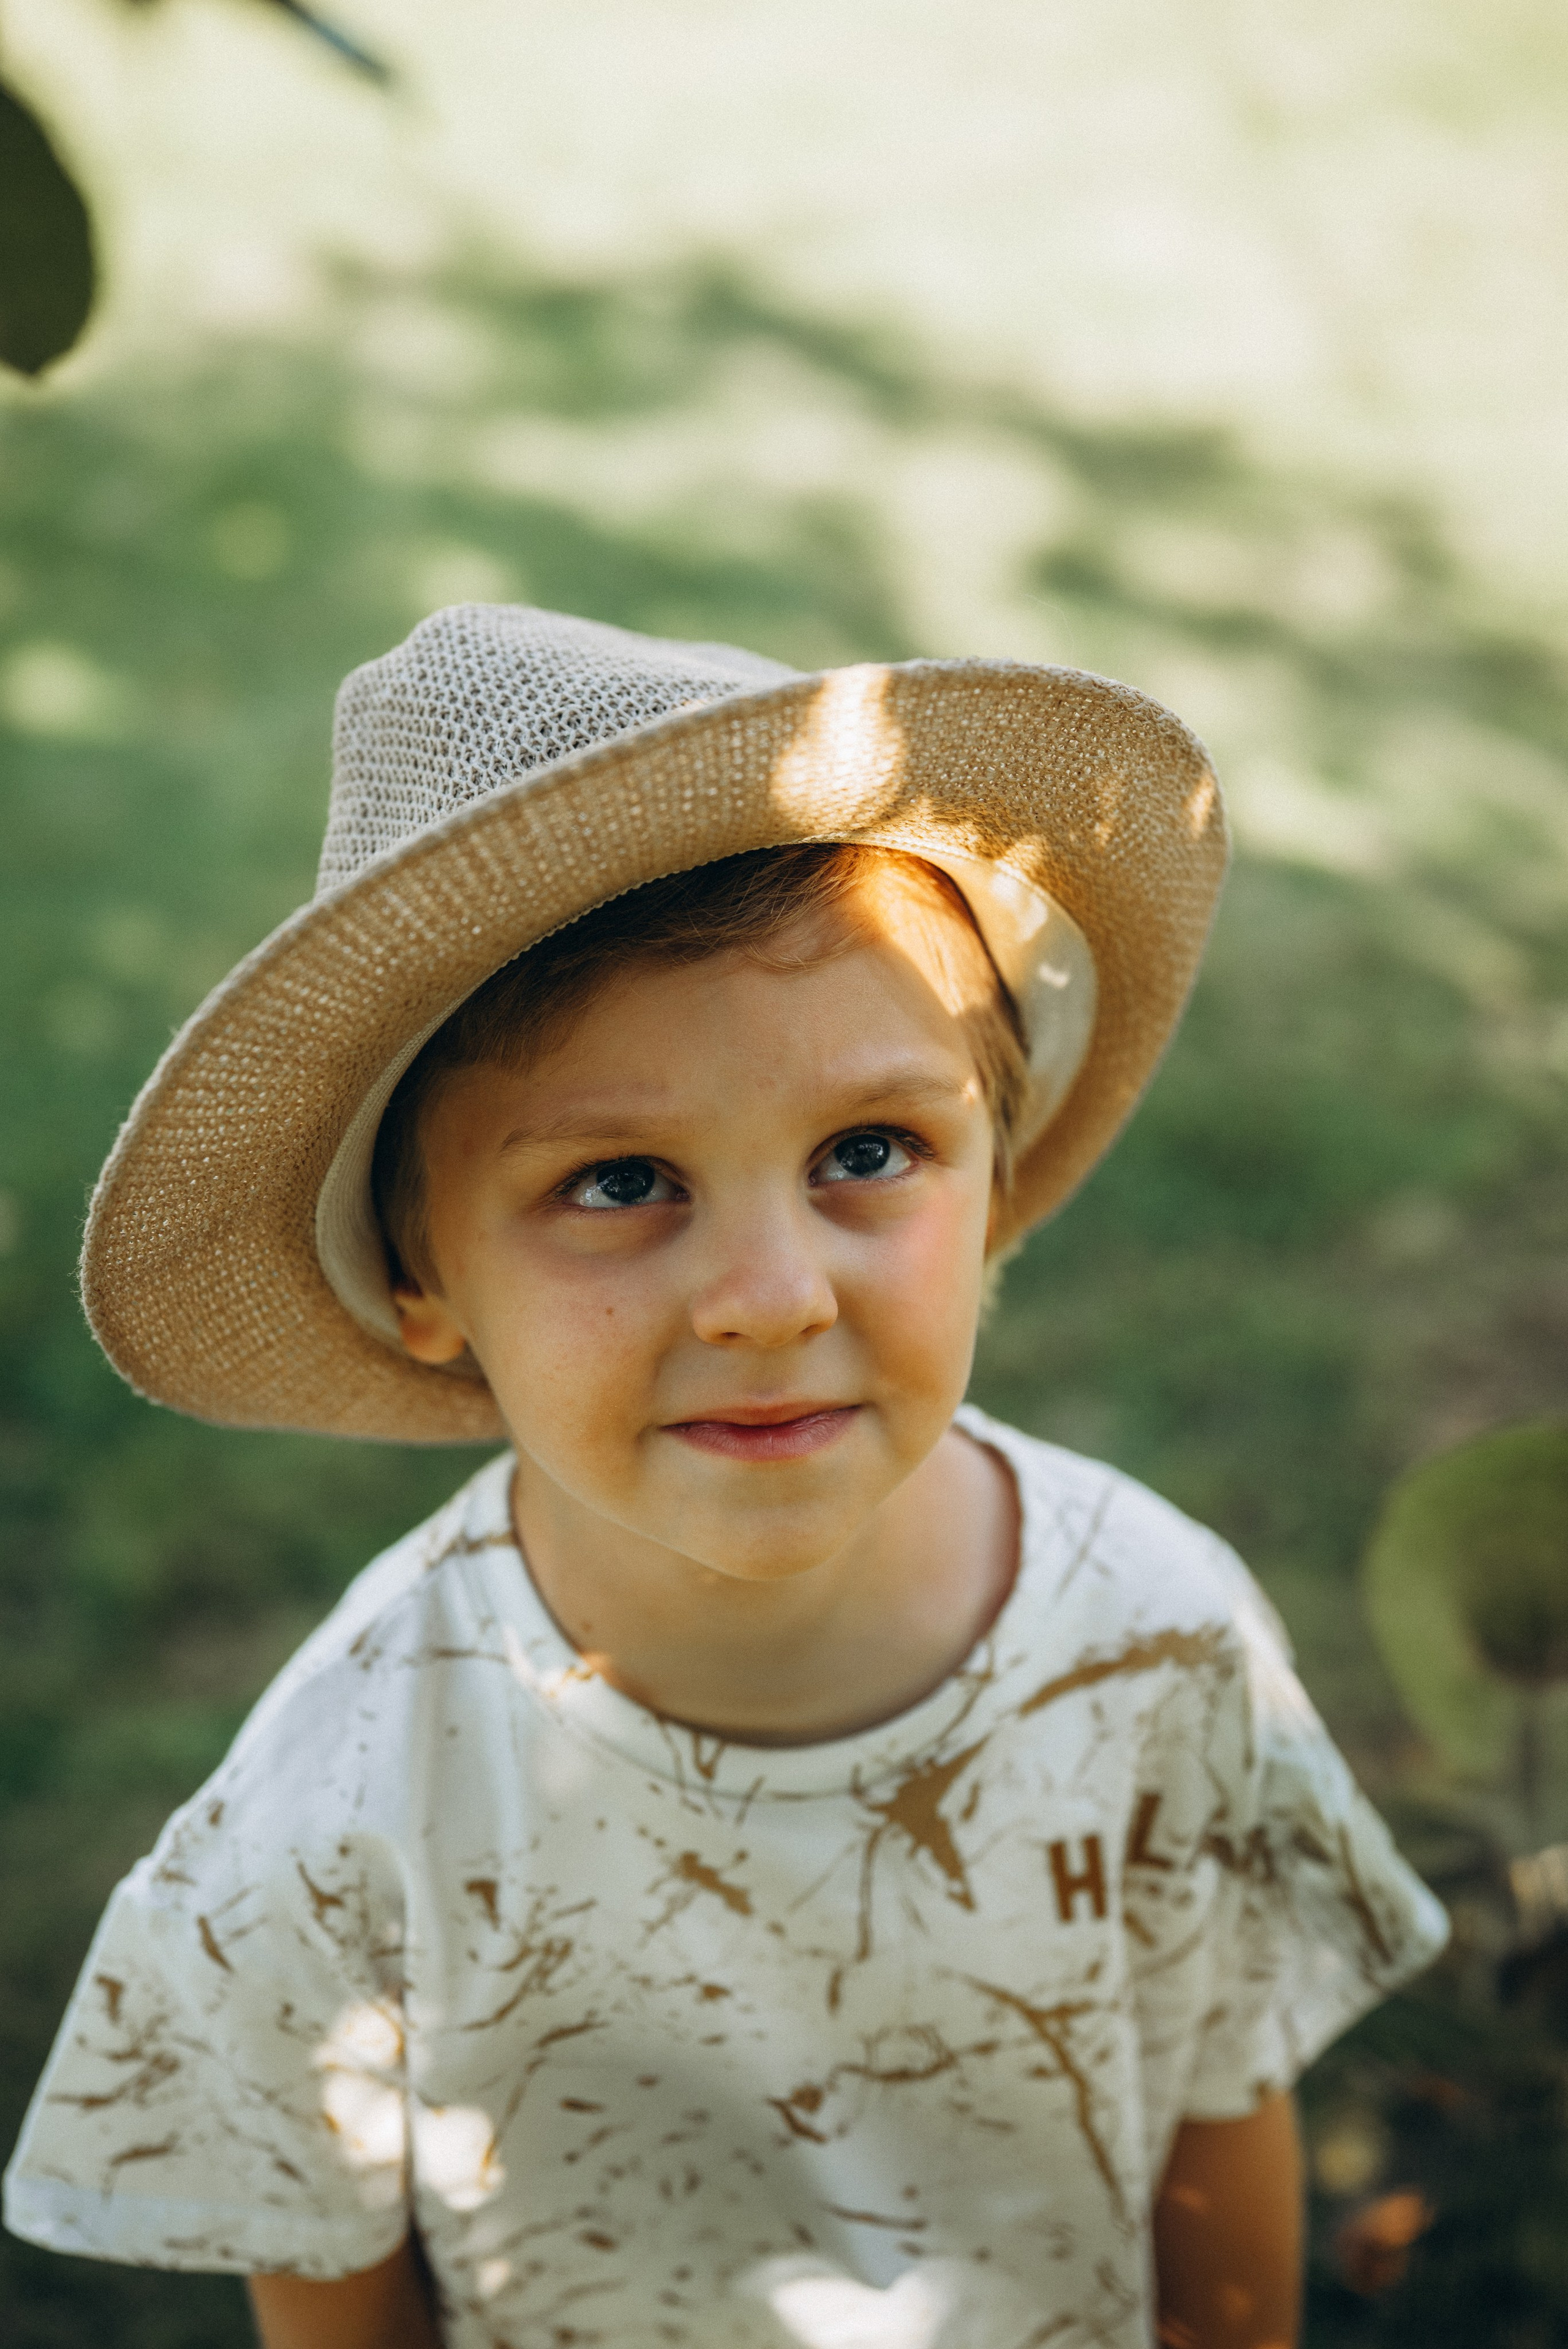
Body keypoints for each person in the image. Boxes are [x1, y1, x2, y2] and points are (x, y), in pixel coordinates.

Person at [3, 606, 1447, 2349]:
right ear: (421, 1282)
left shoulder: (1158, 1640)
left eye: (869, 1149)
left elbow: (1217, 2132)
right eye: (620, 1181)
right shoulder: (343, 1809)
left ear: (992, 1178)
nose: (773, 1298)